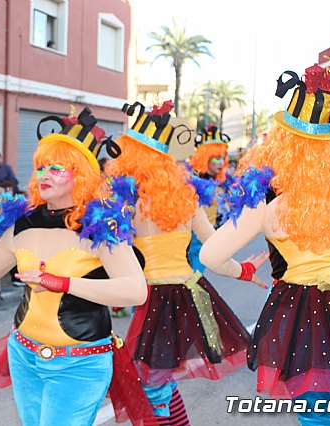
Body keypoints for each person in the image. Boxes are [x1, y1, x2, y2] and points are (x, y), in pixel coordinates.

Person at [0, 107, 149, 426]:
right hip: (24, 355)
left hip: (79, 365)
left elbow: (135, 290)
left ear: (81, 175)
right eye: (41, 167)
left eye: (56, 168)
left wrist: (62, 283)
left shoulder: (101, 226)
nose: (44, 175)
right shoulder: (24, 223)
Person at [200, 63, 330, 424]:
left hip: (297, 314)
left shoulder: (267, 204)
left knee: (317, 416)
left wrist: (244, 270)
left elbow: (210, 255)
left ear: (281, 145)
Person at [108, 100, 267, 425]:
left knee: (152, 384)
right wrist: (244, 271)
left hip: (153, 298)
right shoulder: (186, 195)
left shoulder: (126, 200)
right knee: (159, 378)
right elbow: (215, 249)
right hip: (189, 291)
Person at [186, 124, 233, 274]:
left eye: (223, 158)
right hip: (189, 246)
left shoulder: (224, 183)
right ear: (205, 158)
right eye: (216, 158)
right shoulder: (190, 181)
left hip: (211, 246)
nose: (220, 162)